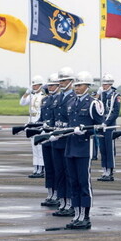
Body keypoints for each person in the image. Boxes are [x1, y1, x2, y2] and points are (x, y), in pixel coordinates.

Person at [64, 72, 104, 229]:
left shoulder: (93, 103)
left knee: (83, 182)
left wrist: (85, 131)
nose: (77, 88)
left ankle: (85, 216)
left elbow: (100, 126)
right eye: (76, 85)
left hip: (84, 147)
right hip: (70, 146)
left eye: (80, 85)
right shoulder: (71, 102)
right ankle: (76, 214)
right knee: (73, 182)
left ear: (87, 86)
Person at [50, 67, 76, 217]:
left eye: (64, 80)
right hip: (56, 140)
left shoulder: (73, 97)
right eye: (60, 80)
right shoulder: (56, 98)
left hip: (68, 140)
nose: (61, 83)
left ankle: (71, 202)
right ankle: (63, 202)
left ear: (71, 81)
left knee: (68, 173)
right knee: (58, 172)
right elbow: (54, 119)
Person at [39, 73, 60, 207]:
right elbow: (41, 119)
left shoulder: (61, 100)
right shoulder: (45, 100)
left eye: (53, 85)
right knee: (49, 167)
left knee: (57, 167)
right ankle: (50, 192)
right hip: (46, 136)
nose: (50, 87)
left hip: (56, 136)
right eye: (49, 85)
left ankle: (58, 193)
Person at [20, 75, 45, 178]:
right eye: (33, 85)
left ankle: (41, 169)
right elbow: (21, 103)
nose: (34, 87)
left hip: (38, 123)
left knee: (40, 147)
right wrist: (27, 92)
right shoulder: (31, 95)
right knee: (34, 147)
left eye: (36, 85)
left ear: (40, 85)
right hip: (31, 122)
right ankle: (35, 168)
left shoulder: (43, 96)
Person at [97, 73, 121, 182]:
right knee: (103, 149)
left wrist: (106, 122)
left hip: (110, 126)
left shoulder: (116, 95)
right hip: (102, 125)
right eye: (103, 84)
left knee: (109, 148)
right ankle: (104, 170)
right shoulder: (102, 95)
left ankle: (110, 171)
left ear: (110, 84)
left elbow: (115, 112)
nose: (104, 86)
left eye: (106, 84)